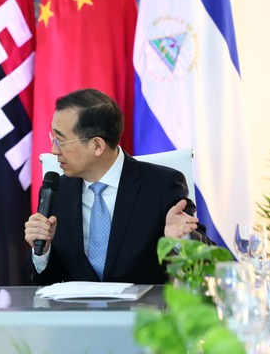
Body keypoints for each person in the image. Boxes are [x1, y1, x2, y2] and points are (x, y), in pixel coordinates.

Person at [23, 89, 210, 285]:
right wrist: (42, 252)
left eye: (61, 141)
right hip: (76, 306)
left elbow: (208, 264)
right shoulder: (57, 192)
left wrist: (183, 239)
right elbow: (39, 284)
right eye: (53, 139)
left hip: (145, 305)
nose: (54, 150)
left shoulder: (162, 186)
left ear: (97, 145)